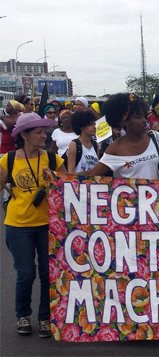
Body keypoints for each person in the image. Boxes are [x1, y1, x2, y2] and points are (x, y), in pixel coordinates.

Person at [0, 112, 65, 337]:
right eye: (38, 132)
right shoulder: (7, 160)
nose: (43, 135)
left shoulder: (53, 159)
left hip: (48, 226)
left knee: (49, 273)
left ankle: (45, 318)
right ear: (24, 135)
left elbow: (69, 188)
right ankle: (23, 315)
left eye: (44, 131)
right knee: (26, 273)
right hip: (18, 225)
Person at [81, 94, 159, 181]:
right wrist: (67, 178)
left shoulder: (154, 137)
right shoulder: (115, 149)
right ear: (124, 121)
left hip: (156, 198)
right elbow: (91, 174)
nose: (144, 120)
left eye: (144, 116)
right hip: (128, 199)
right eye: (138, 117)